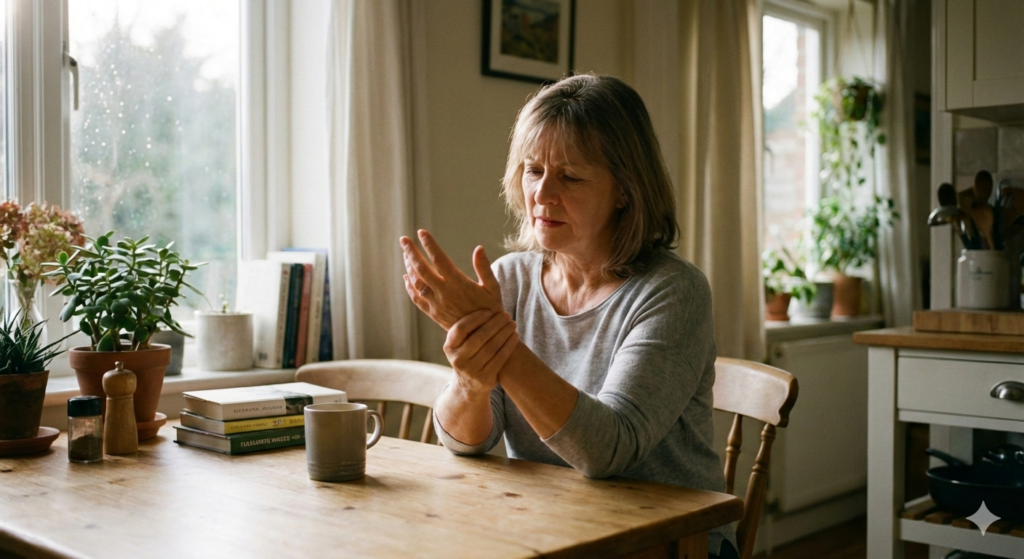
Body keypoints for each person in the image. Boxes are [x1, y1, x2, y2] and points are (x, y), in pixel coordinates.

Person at [399, 74, 738, 559]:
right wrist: (471, 382)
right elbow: (467, 443)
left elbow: (609, 450)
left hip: (673, 542)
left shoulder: (673, 291)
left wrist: (500, 345)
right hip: (554, 531)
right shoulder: (510, 279)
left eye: (571, 177)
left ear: (625, 190)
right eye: (533, 170)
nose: (542, 193)